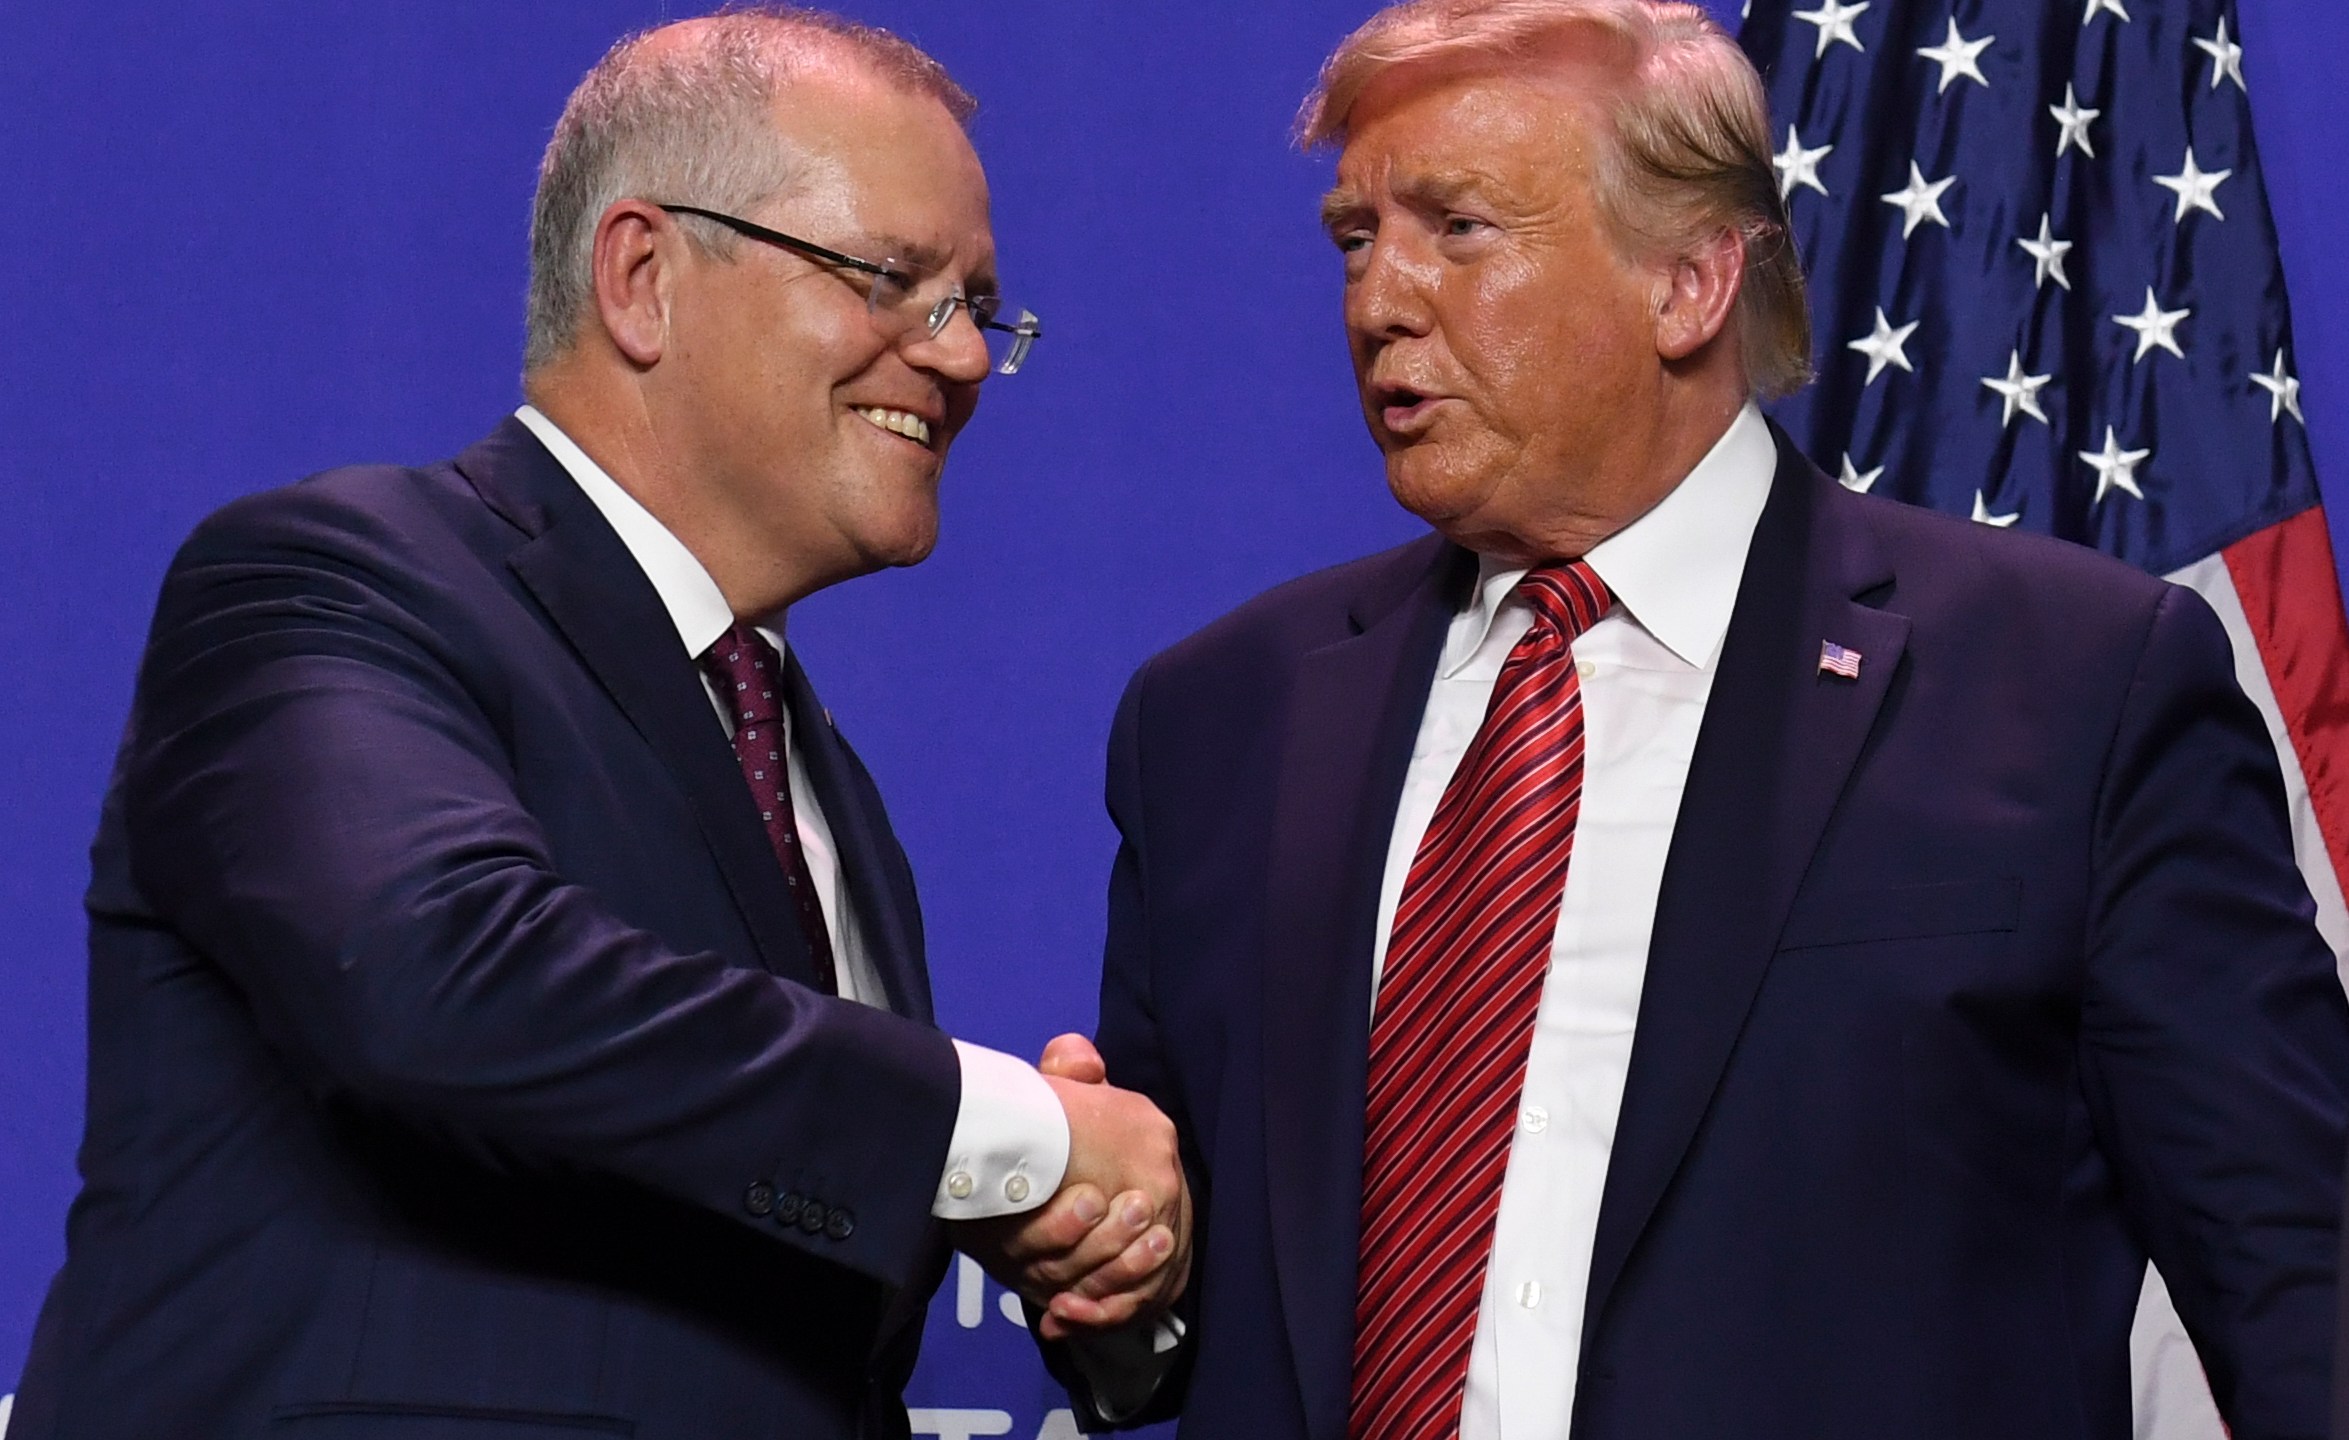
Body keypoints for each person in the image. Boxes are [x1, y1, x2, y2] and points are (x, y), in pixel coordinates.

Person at [1040, 1, 2349, 1436]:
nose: (1377, 302)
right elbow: (1161, 1325)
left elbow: (2296, 1275)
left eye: (1458, 229)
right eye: (1356, 237)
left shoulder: (2075, 685)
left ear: (1689, 283)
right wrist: (1117, 1259)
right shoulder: (1220, 716)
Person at [10, 9, 1184, 1439]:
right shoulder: (336, 572)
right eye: (893, 281)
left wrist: (1081, 1252)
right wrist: (1005, 1133)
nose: (950, 358)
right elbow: (434, 978)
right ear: (642, 276)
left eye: (976, 308)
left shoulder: (816, 777)